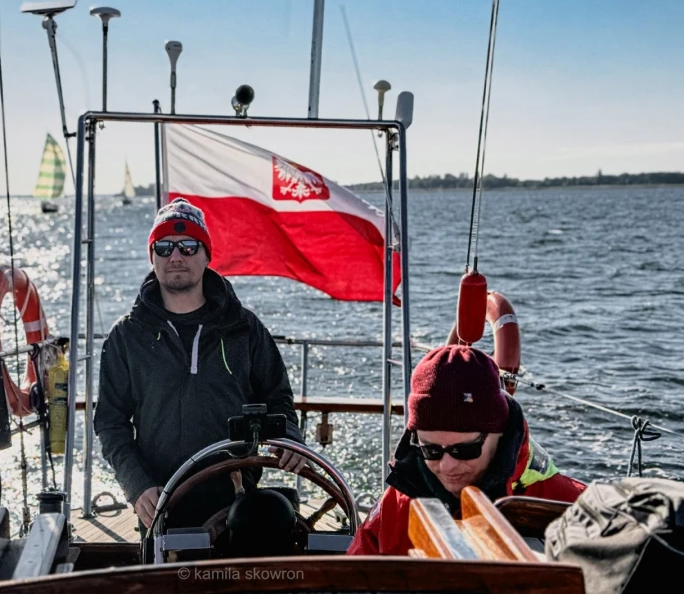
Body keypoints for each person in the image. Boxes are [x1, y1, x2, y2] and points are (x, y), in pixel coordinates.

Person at [95, 197, 307, 533]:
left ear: (207, 255)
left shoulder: (244, 328)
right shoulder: (126, 336)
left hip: (238, 502)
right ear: (152, 257)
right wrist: (137, 486)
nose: (175, 256)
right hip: (161, 502)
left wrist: (290, 439)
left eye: (189, 246)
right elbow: (110, 423)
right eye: (163, 247)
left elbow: (277, 400)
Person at [347, 344, 587, 556]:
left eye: (465, 450)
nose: (447, 466)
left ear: (500, 434)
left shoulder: (573, 507)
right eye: (431, 450)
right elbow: (354, 574)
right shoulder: (397, 502)